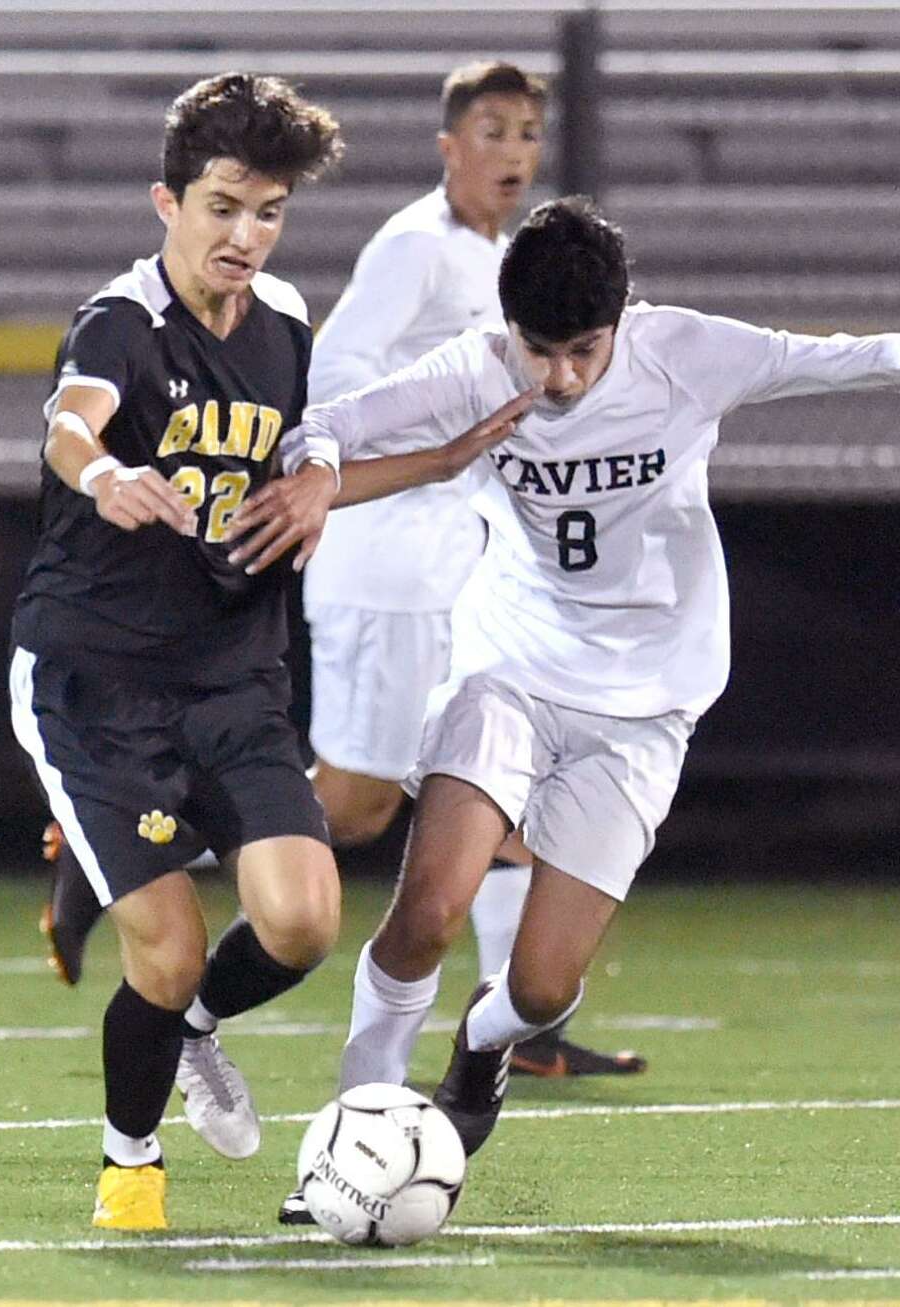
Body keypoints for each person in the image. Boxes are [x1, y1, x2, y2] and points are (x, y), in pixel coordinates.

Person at [229, 195, 900, 1172]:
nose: (563, 376)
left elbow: (851, 356)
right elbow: (331, 420)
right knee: (427, 910)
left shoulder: (688, 354)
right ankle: (355, 1125)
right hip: (508, 670)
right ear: (510, 330)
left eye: (585, 349)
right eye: (543, 351)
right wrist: (320, 468)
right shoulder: (477, 367)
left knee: (541, 988)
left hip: (646, 704)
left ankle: (486, 1045)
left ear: (623, 319)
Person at [8, 72, 529, 1232]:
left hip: (233, 670)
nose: (246, 236)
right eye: (224, 207)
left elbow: (310, 469)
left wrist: (427, 464)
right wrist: (103, 473)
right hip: (97, 676)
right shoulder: (122, 321)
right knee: (172, 946)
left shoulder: (287, 324)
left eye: (269, 211)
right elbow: (69, 422)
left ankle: (194, 1032)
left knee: (301, 920)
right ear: (167, 202)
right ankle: (129, 1160)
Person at [303, 59, 644, 1093]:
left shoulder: (506, 263)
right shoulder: (415, 247)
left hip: (460, 574)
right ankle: (140, 845)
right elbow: (333, 380)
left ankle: (517, 1020)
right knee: (354, 810)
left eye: (529, 134)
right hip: (386, 571)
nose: (514, 153)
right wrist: (443, 423)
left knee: (509, 779)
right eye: (492, 131)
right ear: (450, 145)